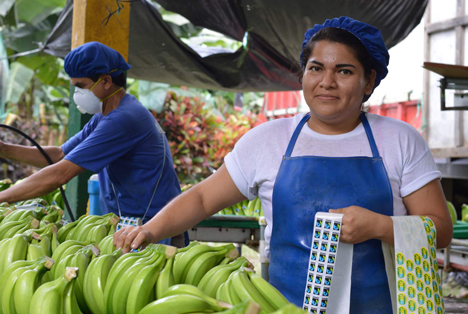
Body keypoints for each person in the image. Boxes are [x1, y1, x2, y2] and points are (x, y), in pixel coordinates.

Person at [113, 17, 453, 311]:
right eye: (316, 68)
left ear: (368, 81)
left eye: (344, 71)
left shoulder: (400, 140)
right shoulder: (267, 140)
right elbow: (203, 198)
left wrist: (379, 226)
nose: (327, 82)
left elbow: (440, 228)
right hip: (285, 308)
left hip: (382, 308)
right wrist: (150, 230)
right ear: (303, 75)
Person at [0, 42, 182, 245]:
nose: (77, 94)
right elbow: (59, 155)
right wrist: (4, 149)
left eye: (81, 86)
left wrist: (2, 197)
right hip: (132, 226)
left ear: (106, 81)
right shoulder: (104, 116)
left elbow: (60, 174)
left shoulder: (123, 119)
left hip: (153, 229)